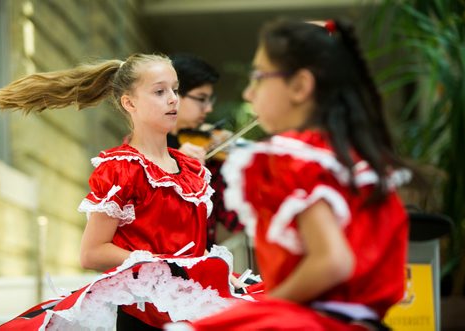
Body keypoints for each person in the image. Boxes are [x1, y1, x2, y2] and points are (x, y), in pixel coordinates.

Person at [166, 18, 412, 331]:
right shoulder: (352, 160)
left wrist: (269, 305)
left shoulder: (293, 157)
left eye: (258, 77)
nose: (247, 94)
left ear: (299, 86)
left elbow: (332, 262)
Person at [0, 54, 250, 331]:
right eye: (160, 92)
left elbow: (192, 248)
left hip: (192, 305)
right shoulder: (121, 167)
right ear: (129, 103)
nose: (173, 99)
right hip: (143, 313)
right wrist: (167, 265)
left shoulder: (192, 168)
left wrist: (219, 273)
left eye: (175, 89)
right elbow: (92, 253)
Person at [168, 53, 244, 250]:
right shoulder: (143, 151)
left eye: (211, 100)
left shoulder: (211, 156)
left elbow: (232, 220)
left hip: (204, 260)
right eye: (201, 99)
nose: (209, 109)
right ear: (174, 95)